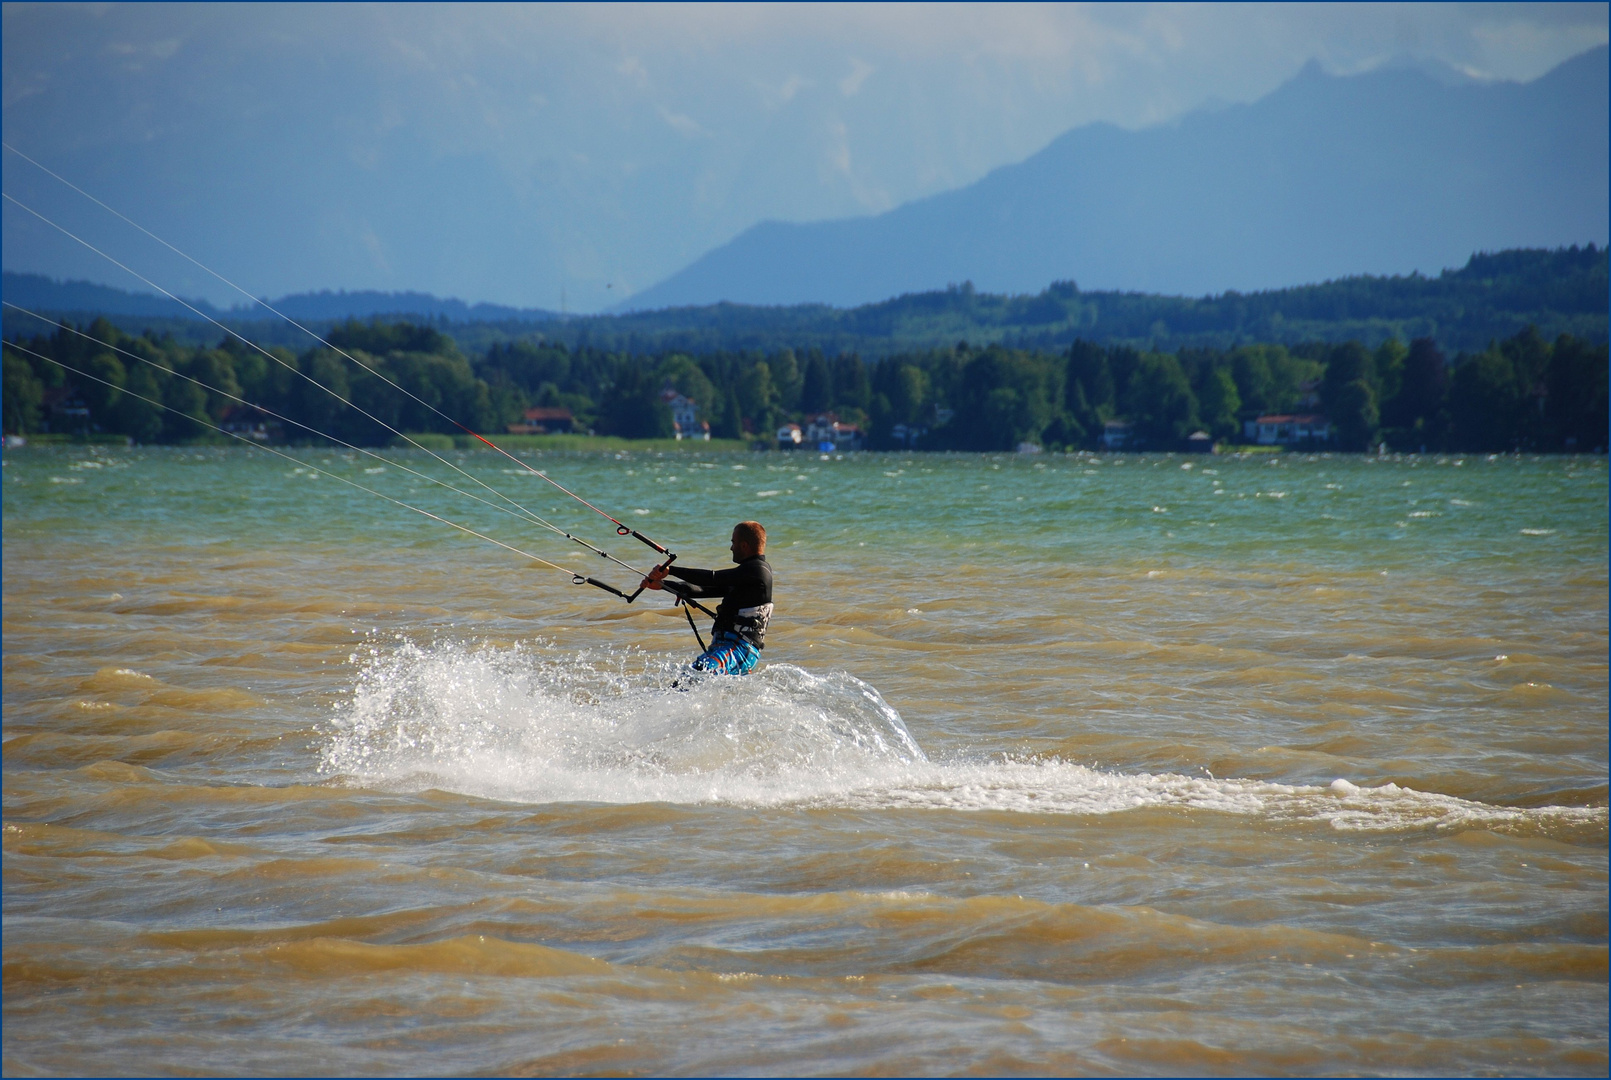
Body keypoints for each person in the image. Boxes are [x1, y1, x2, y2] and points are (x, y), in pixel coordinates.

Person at [642, 520, 772, 676]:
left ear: (744, 546)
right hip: (725, 648)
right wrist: (663, 584)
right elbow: (703, 589)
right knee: (687, 679)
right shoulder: (745, 576)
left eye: (733, 542)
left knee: (694, 676)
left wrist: (671, 570)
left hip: (739, 649)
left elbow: (712, 578)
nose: (731, 547)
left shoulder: (757, 571)